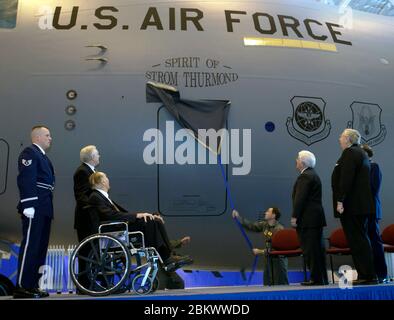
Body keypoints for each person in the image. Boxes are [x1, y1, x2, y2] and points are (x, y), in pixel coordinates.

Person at [87, 171, 193, 271]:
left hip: (120, 226)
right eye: (106, 177)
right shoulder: (95, 197)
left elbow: (117, 214)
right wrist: (138, 215)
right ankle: (167, 258)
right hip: (114, 229)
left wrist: (150, 215)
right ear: (102, 181)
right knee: (149, 222)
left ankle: (169, 256)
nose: (108, 180)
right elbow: (111, 215)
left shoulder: (102, 197)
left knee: (155, 220)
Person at [331, 129, 377, 285]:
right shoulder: (361, 153)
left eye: (341, 137)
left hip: (353, 206)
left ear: (348, 140)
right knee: (362, 239)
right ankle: (368, 274)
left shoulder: (350, 153)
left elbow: (346, 179)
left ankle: (367, 276)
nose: (339, 139)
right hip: (362, 206)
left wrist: (340, 200)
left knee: (358, 241)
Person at [14, 126, 55, 299]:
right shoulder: (29, 153)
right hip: (35, 206)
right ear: (37, 137)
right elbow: (26, 178)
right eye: (47, 135)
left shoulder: (43, 157)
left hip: (44, 207)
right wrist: (28, 204)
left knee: (40, 248)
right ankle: (22, 285)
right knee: (31, 246)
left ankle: (33, 285)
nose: (50, 138)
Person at [292, 150, 328, 286]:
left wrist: (295, 216)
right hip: (315, 219)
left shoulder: (305, 177)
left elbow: (300, 199)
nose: (296, 161)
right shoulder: (313, 175)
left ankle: (316, 279)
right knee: (317, 249)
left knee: (311, 250)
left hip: (308, 219)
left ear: (303, 162)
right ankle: (321, 278)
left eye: (297, 159)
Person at [232, 208, 289, 285]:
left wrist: (260, 251)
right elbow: (251, 226)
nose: (265, 213)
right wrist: (238, 217)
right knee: (267, 282)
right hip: (268, 258)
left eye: (268, 211)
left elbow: (276, 249)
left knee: (280, 283)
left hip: (278, 260)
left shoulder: (279, 229)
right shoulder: (264, 225)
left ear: (273, 215)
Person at [72, 145, 100, 292]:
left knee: (92, 252)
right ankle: (84, 285)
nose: (99, 156)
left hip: (91, 219)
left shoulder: (90, 171)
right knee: (86, 253)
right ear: (91, 157)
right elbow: (81, 196)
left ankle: (89, 283)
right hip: (86, 219)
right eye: (97, 154)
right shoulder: (82, 172)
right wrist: (97, 207)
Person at [361, 144, 388, 283]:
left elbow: (373, 189)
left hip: (372, 209)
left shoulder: (374, 167)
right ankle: (370, 273)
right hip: (363, 211)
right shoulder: (361, 170)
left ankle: (382, 274)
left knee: (375, 242)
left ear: (366, 155)